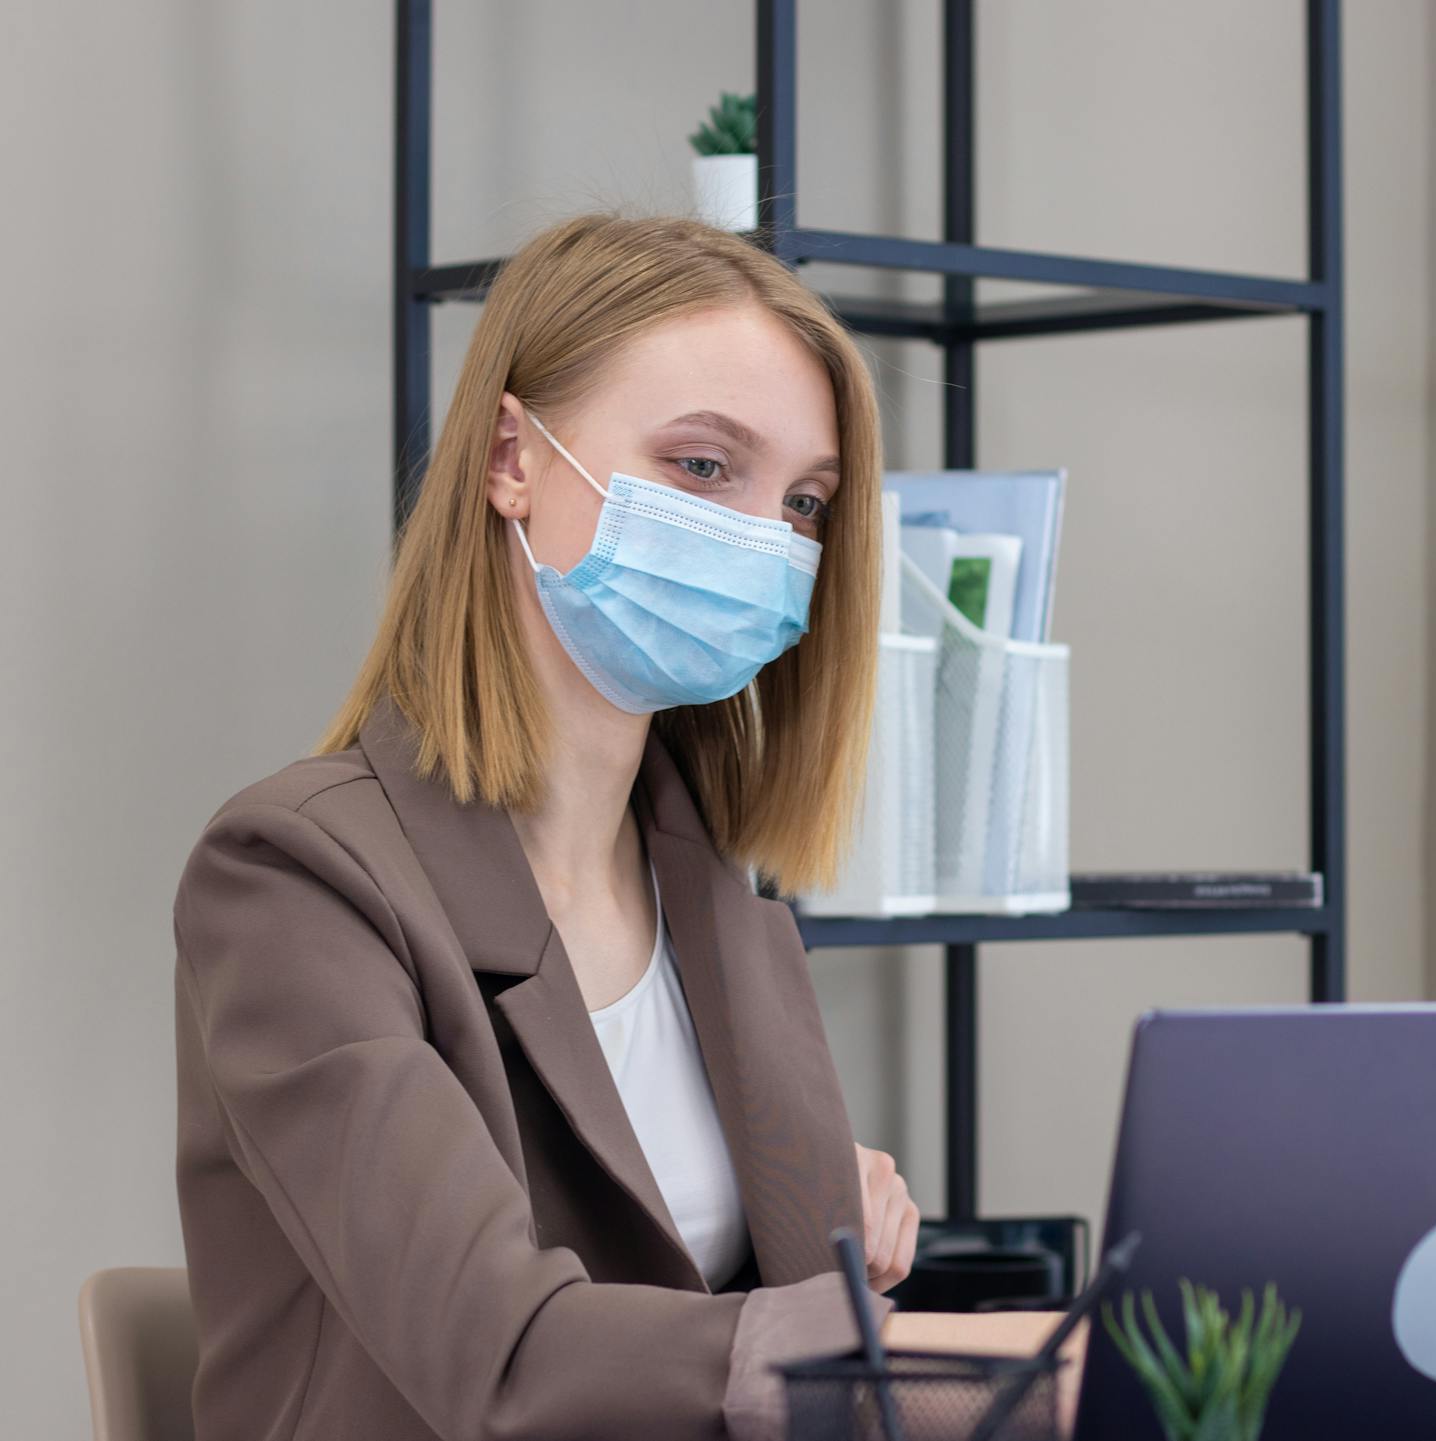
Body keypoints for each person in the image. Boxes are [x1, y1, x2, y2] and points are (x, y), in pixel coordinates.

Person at [171, 212, 1084, 1441]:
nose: (767, 539)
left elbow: (780, 1301)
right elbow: (505, 1359)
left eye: (806, 503)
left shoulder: (703, 878)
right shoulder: (292, 878)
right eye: (706, 468)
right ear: (512, 458)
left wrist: (840, 1215)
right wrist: (996, 1365)